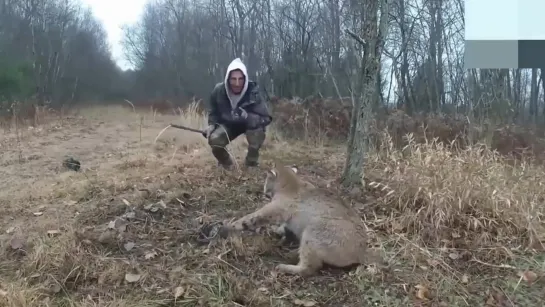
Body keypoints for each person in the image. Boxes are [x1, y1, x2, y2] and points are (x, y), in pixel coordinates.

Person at [203, 58, 273, 169]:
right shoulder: (218, 91)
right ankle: (226, 163)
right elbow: (213, 111)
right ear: (227, 79)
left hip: (250, 125)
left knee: (257, 134)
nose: (237, 83)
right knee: (214, 139)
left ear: (245, 79)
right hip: (228, 124)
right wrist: (212, 125)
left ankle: (251, 163)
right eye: (233, 79)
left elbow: (266, 118)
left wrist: (248, 117)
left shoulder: (253, 92)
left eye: (240, 79)